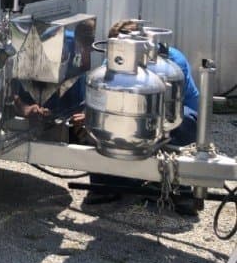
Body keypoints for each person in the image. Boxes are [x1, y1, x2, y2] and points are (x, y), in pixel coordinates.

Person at [81, 18, 200, 214]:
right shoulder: (116, 61)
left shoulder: (171, 62)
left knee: (185, 120)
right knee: (98, 118)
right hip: (140, 115)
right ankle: (109, 184)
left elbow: (179, 105)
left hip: (170, 117)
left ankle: (178, 188)